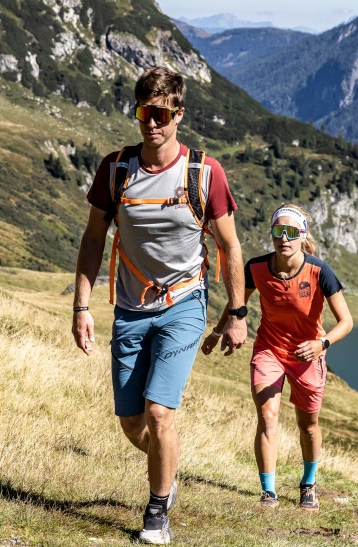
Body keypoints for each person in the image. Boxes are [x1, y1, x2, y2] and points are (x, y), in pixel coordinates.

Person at [70, 66, 248, 545]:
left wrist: (236, 313)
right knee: (131, 422)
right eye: (144, 112)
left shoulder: (203, 173)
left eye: (162, 114)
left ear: (179, 115)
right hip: (129, 308)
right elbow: (92, 239)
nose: (152, 123)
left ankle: (156, 511)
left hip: (183, 305)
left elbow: (230, 247)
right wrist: (81, 307)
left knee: (158, 413)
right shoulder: (116, 169)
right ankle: (167, 467)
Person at [202, 203, 353, 511]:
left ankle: (308, 483)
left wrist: (322, 344)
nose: (283, 238)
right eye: (277, 231)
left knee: (308, 424)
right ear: (270, 234)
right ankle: (268, 492)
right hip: (269, 350)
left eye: (291, 232)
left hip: (308, 355)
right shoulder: (256, 268)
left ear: (302, 235)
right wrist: (218, 332)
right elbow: (237, 306)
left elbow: (346, 322)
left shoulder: (320, 271)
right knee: (268, 418)